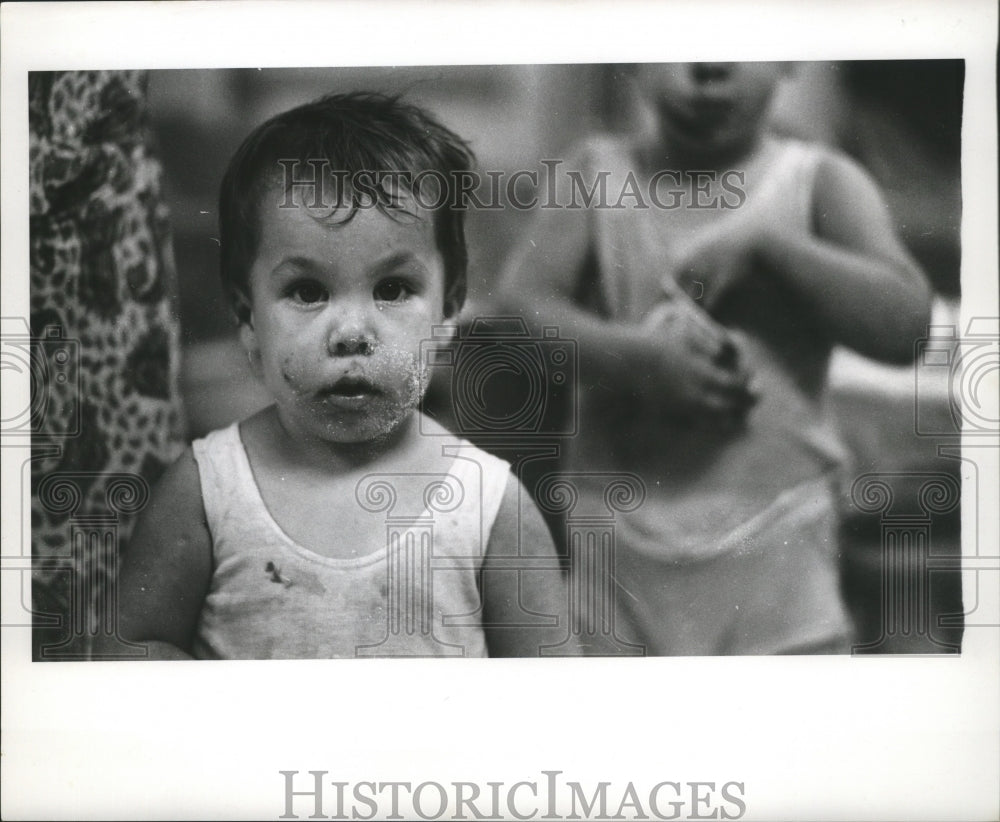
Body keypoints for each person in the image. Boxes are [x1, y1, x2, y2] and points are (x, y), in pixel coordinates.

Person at [104, 92, 567, 659]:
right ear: (248, 317)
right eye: (307, 291)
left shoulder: (490, 506)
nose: (351, 332)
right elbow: (130, 649)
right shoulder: (207, 491)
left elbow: (552, 697)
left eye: (393, 289)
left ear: (448, 308)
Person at [500, 63, 932, 655]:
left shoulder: (819, 180)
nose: (707, 69)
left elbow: (906, 328)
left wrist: (772, 247)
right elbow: (518, 310)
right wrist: (634, 360)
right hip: (618, 550)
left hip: (779, 548)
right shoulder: (596, 172)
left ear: (786, 58)